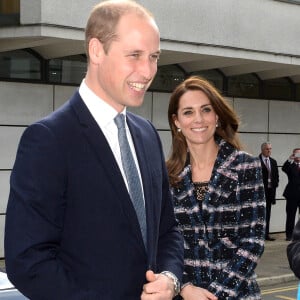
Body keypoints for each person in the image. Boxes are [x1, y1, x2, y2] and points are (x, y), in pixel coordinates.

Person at [4, 1, 183, 299]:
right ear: (97, 50)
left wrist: (170, 278)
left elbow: (168, 231)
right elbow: (28, 260)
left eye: (153, 57)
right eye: (135, 55)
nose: (148, 70)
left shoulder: (148, 135)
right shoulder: (49, 139)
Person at [166, 76, 266, 300]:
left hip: (236, 294)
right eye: (188, 112)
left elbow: (252, 242)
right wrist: (184, 287)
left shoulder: (245, 166)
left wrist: (216, 296)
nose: (198, 119)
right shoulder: (168, 176)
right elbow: (163, 242)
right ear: (177, 122)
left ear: (217, 116)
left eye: (206, 109)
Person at [259, 142, 279, 241]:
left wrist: (275, 185)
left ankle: (266, 234)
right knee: (259, 215)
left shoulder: (273, 162)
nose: (269, 151)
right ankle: (258, 235)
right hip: (260, 193)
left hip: (270, 192)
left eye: (270, 149)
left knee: (267, 214)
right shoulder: (256, 161)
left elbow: (276, 176)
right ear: (262, 150)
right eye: (267, 149)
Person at [282, 148, 300, 241]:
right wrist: (290, 159)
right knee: (290, 216)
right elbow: (284, 169)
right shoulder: (290, 165)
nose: (298, 156)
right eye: (297, 154)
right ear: (293, 154)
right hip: (292, 194)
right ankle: (289, 235)